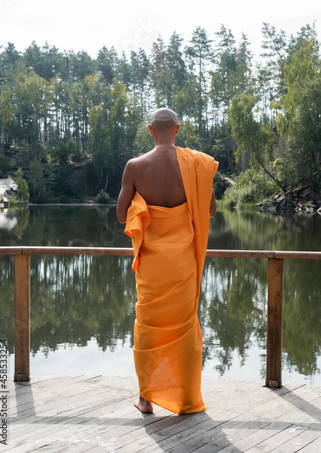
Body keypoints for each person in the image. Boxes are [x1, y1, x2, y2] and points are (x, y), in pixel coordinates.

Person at [117, 107, 218, 415]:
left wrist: (140, 206)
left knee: (149, 327)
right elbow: (210, 210)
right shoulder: (197, 165)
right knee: (184, 328)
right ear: (177, 129)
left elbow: (122, 215)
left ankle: (146, 398)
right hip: (184, 264)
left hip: (152, 266)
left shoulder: (135, 166)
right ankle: (187, 400)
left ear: (150, 130)